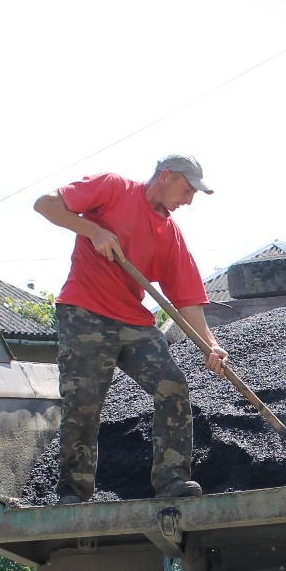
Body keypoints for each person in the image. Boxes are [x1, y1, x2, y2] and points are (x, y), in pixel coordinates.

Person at [33, 155, 228, 504]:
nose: (188, 200)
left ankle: (172, 480)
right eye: (186, 189)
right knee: (84, 401)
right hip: (85, 312)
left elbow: (187, 300)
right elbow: (45, 205)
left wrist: (210, 346)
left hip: (133, 321)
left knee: (172, 383)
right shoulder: (112, 188)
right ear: (165, 177)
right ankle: (73, 492)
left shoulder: (169, 234)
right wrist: (93, 230)